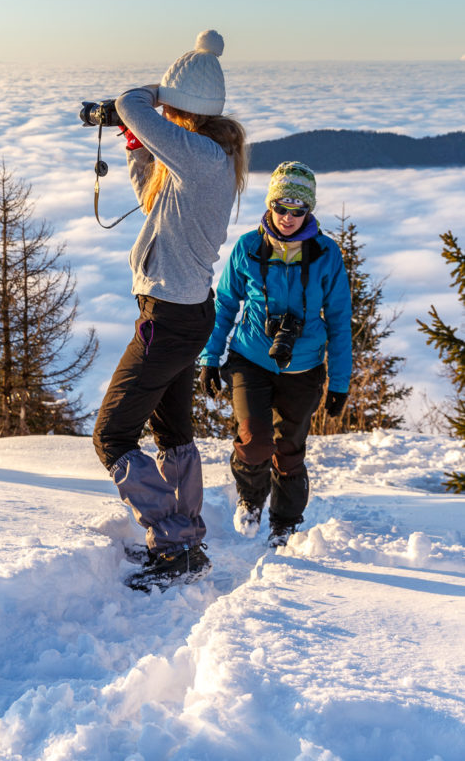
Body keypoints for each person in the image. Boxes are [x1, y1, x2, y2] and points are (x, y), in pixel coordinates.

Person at [92, 30, 248, 591]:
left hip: (170, 319)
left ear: (182, 109)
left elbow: (130, 104)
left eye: (172, 108)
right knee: (173, 430)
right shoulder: (208, 156)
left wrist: (147, 101)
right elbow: (153, 200)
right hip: (186, 314)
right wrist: (138, 147)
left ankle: (176, 541)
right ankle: (185, 538)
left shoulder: (200, 154)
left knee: (111, 435)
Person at [199, 161, 352, 547]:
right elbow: (225, 306)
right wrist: (209, 358)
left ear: (309, 211)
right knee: (254, 441)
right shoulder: (248, 248)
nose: (287, 217)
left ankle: (284, 525)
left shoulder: (325, 254)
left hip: (304, 366)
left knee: (289, 451)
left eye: (298, 209)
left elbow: (338, 320)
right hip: (250, 357)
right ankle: (250, 499)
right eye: (281, 207)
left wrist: (340, 382)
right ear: (270, 205)